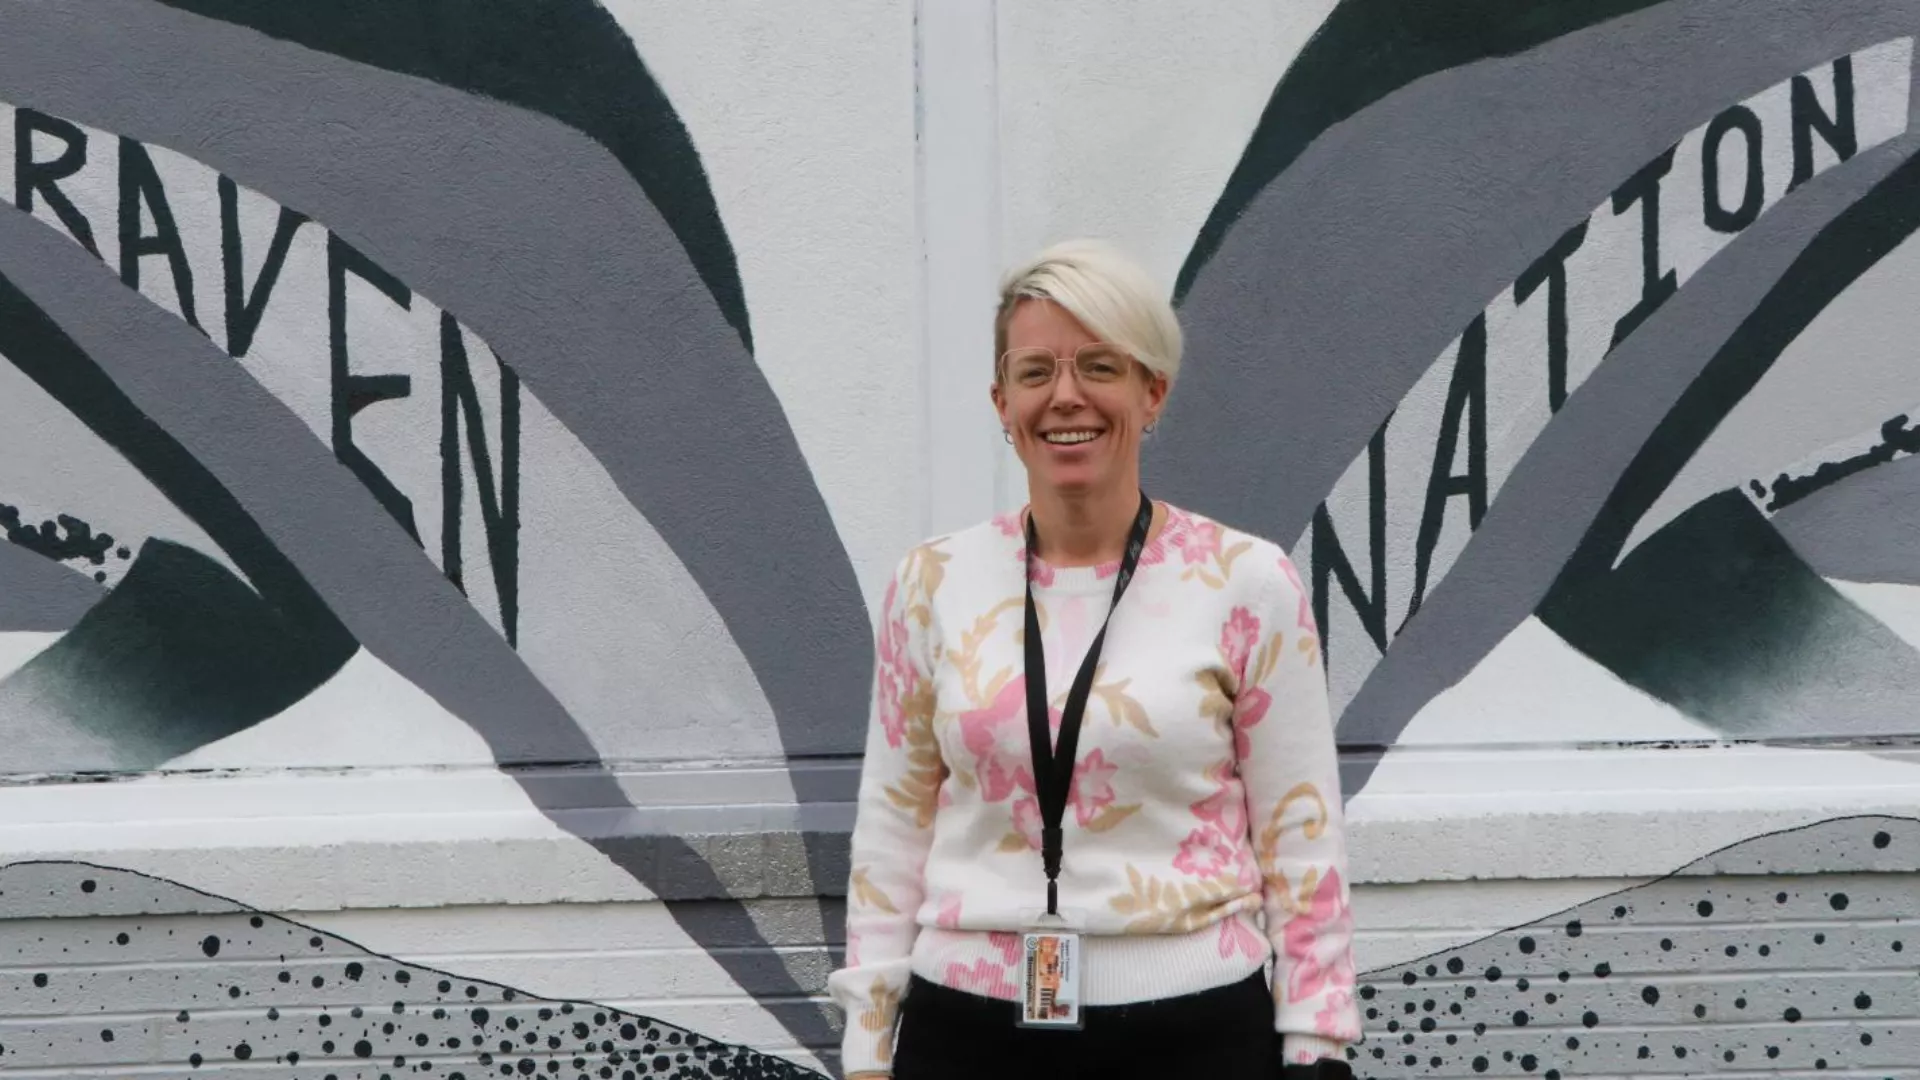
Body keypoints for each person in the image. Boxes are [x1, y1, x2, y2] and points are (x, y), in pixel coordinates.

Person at [829, 240, 1360, 1079]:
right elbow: (894, 826)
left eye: (1099, 366)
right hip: (965, 1033)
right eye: (1036, 371)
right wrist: (866, 1042)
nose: (1065, 396)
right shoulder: (931, 582)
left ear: (1153, 392)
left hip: (1196, 1034)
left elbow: (1301, 836)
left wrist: (1317, 1044)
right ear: (1001, 402)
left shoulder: (1247, 583)